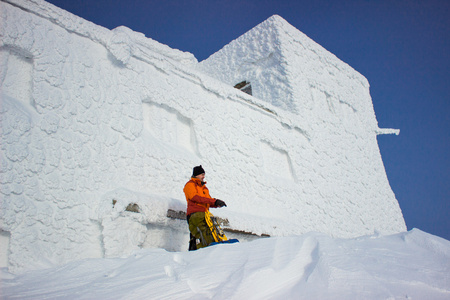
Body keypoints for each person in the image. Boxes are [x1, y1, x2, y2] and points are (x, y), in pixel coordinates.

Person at [183, 165, 226, 250]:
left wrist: (217, 203)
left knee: (211, 233)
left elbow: (207, 200)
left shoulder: (204, 188)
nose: (203, 176)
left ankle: (208, 249)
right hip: (195, 214)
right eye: (202, 174)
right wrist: (214, 201)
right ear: (196, 175)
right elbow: (195, 197)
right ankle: (205, 251)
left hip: (205, 215)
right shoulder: (190, 185)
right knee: (204, 234)